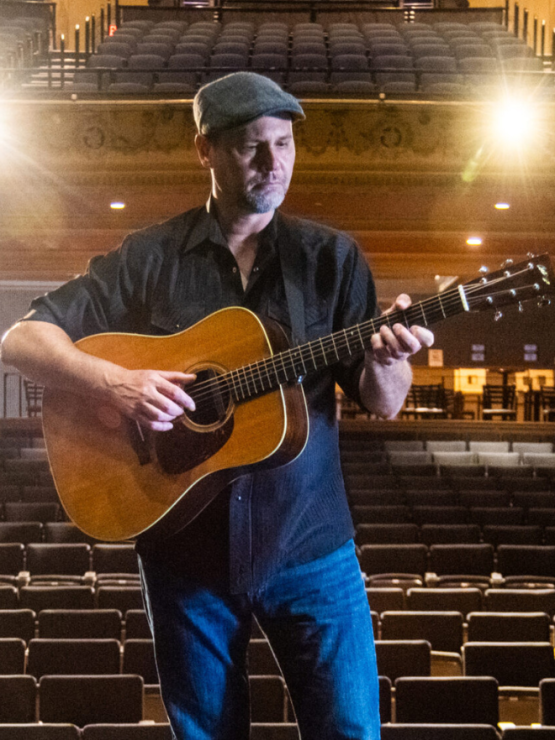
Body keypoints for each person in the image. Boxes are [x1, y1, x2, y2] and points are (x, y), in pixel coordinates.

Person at [2, 72, 434, 740]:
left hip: (310, 547)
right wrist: (113, 383)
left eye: (285, 144)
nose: (273, 163)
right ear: (205, 150)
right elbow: (20, 339)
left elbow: (383, 404)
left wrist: (388, 360)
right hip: (185, 553)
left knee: (349, 730)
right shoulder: (149, 257)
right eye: (251, 146)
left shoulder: (331, 258)